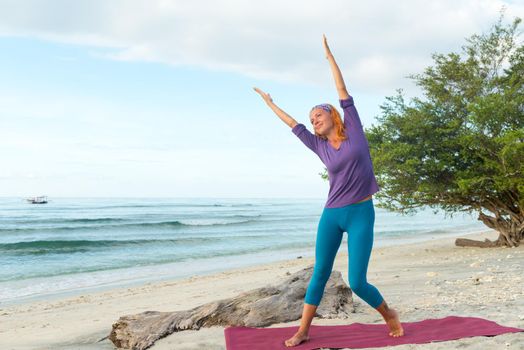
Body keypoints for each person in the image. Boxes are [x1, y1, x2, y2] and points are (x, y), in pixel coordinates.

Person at [253, 34, 404, 347]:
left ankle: (388, 314)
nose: (314, 121)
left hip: (361, 212)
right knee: (320, 272)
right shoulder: (319, 146)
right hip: (332, 214)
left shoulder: (355, 132)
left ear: (332, 115)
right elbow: (293, 124)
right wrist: (270, 103)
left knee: (358, 281)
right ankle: (304, 329)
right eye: (312, 119)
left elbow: (342, 90)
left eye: (318, 116)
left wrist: (329, 57)